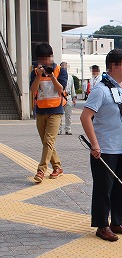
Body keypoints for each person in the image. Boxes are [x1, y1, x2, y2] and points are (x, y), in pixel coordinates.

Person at [80, 49, 122, 242]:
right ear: (114, 66)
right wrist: (94, 145)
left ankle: (117, 222)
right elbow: (85, 117)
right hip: (104, 149)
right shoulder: (100, 90)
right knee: (104, 189)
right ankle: (102, 226)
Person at [30, 42, 67, 184]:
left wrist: (51, 76)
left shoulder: (59, 70)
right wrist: (39, 76)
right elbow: (33, 89)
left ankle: (41, 170)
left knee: (49, 141)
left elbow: (60, 89)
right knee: (46, 142)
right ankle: (57, 167)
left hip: (56, 110)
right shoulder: (34, 71)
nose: (45, 62)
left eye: (47, 58)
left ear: (51, 57)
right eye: (41, 59)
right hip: (40, 110)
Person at [59, 62, 77, 135]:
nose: (64, 68)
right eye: (63, 67)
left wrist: (74, 98)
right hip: (60, 97)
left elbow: (73, 88)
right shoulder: (58, 76)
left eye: (65, 67)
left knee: (68, 115)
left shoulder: (70, 77)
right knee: (59, 115)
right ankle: (58, 130)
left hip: (68, 96)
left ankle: (68, 129)